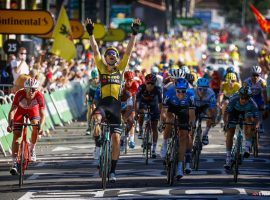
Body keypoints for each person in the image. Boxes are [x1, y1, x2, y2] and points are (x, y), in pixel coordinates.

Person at [85, 18, 140, 182]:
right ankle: (98, 143)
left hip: (115, 106)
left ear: (116, 58)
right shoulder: (101, 68)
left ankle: (113, 171)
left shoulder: (121, 69)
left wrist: (134, 34)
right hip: (103, 104)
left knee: (116, 139)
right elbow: (95, 50)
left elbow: (129, 51)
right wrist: (90, 33)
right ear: (105, 58)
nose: (111, 56)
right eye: (108, 54)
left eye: (113, 55)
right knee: (96, 119)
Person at [7, 78, 46, 175]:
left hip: (33, 110)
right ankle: (14, 163)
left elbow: (43, 114)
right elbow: (12, 111)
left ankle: (32, 148)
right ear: (25, 89)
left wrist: (41, 126)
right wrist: (10, 123)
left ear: (37, 90)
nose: (31, 91)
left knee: (36, 126)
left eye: (34, 89)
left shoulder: (39, 95)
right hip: (20, 110)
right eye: (29, 89)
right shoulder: (19, 94)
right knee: (17, 136)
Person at [161, 78, 195, 178]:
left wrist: (192, 124)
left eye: (183, 91)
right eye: (178, 91)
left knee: (184, 135)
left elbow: (192, 114)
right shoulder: (169, 93)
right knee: (169, 120)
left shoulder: (191, 95)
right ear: (175, 89)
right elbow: (163, 112)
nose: (181, 93)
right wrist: (163, 121)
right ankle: (165, 143)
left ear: (186, 90)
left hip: (184, 110)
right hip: (172, 108)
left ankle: (180, 166)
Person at [223, 86, 259, 170]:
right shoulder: (233, 100)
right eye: (242, 97)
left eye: (246, 98)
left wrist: (255, 126)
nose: (244, 100)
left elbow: (257, 119)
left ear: (249, 98)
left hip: (246, 112)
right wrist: (225, 123)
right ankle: (228, 158)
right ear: (239, 96)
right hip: (234, 112)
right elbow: (226, 113)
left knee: (249, 123)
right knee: (230, 132)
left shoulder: (253, 104)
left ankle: (247, 147)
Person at [135, 74, 162, 158]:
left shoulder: (158, 89)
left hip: (154, 104)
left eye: (152, 83)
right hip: (144, 103)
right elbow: (136, 102)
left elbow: (160, 103)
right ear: (145, 83)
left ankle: (154, 149)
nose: (150, 85)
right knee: (142, 112)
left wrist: (160, 114)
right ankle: (140, 130)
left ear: (155, 84)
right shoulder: (141, 88)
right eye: (148, 83)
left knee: (154, 127)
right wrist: (136, 113)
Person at [85, 69, 99, 135]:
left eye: (96, 78)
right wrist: (86, 96)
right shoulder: (89, 82)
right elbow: (87, 92)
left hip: (98, 96)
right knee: (89, 109)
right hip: (91, 95)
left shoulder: (101, 82)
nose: (95, 80)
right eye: (93, 78)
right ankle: (89, 127)